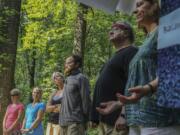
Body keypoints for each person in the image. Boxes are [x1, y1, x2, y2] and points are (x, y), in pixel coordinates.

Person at [97, 0, 180, 135]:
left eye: (140, 4)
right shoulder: (147, 41)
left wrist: (148, 88)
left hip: (159, 118)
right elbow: (139, 80)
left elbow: (173, 70)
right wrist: (120, 104)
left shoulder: (166, 29)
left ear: (155, 5)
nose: (135, 11)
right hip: (136, 119)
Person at [90, 21, 138, 135]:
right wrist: (95, 117)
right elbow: (101, 86)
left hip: (118, 120)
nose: (110, 31)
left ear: (126, 33)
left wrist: (123, 115)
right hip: (104, 120)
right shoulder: (115, 56)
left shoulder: (131, 52)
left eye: (116, 28)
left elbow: (133, 85)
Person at [59, 54, 91, 135]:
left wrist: (88, 120)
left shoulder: (81, 78)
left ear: (77, 64)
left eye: (69, 62)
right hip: (63, 123)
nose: (66, 65)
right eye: (66, 63)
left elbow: (86, 100)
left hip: (75, 123)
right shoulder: (67, 79)